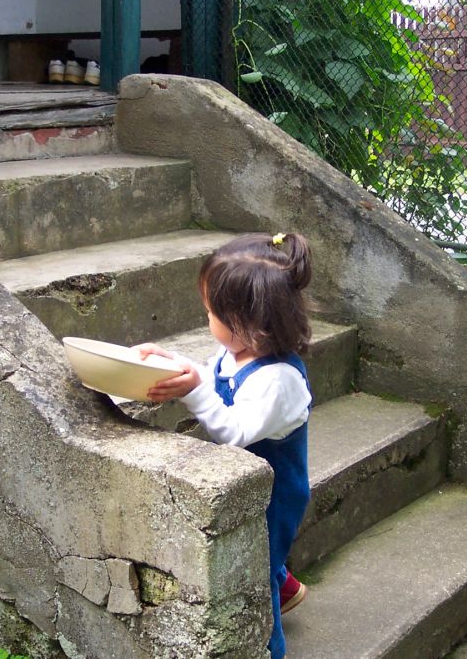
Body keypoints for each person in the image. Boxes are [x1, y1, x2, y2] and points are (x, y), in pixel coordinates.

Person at [135, 232, 313, 659]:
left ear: (247, 323)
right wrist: (175, 365)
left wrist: (193, 391)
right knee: (258, 550)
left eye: (212, 312)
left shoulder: (279, 382)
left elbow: (233, 431)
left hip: (275, 496)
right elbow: (212, 378)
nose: (207, 318)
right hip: (250, 481)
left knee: (256, 568)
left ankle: (269, 646)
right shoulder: (234, 352)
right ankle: (288, 587)